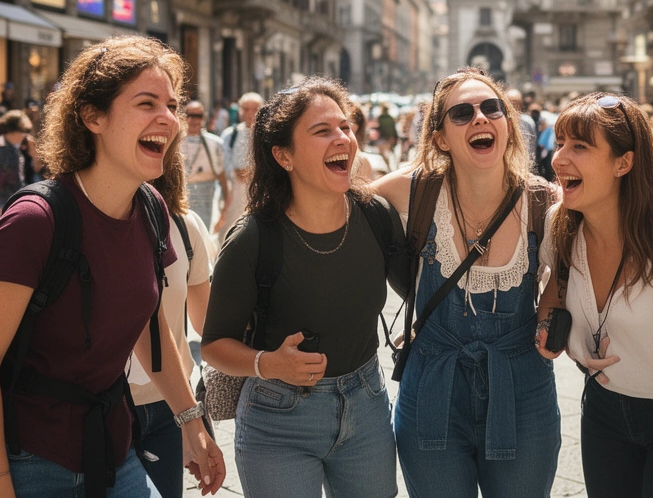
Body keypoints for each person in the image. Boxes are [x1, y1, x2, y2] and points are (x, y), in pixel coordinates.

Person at [0, 36, 226, 497]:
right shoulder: (33, 221)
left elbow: (149, 322)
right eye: (146, 103)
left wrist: (190, 420)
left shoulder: (152, 207)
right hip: (24, 459)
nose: (169, 119)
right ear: (92, 117)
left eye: (173, 105)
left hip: (112, 450)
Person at [201, 79, 409, 498]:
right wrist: (268, 363)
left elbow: (421, 291)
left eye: (345, 127)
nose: (343, 139)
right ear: (283, 156)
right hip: (278, 419)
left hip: (367, 405)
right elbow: (212, 345)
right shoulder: (252, 238)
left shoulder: (376, 216)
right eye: (322, 131)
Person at [370, 68, 560, 498]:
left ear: (508, 124)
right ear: (440, 137)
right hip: (432, 387)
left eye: (491, 108)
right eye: (462, 112)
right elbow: (339, 203)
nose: (480, 118)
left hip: (523, 392)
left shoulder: (541, 200)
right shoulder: (412, 192)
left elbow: (582, 250)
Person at [537, 94, 653, 497]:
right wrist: (565, 343)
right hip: (603, 414)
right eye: (559, 144)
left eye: (580, 147)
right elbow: (554, 297)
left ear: (623, 163)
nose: (558, 159)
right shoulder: (560, 224)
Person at [133, 139, 218, 498]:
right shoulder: (185, 224)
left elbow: (205, 325)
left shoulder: (185, 225)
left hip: (168, 404)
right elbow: (207, 325)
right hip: (103, 407)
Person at [181, 100, 229, 231]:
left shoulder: (215, 144)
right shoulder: (174, 142)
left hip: (205, 199)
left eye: (198, 116)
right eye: (190, 115)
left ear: (204, 118)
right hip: (179, 197)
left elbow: (223, 179)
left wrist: (224, 211)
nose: (193, 120)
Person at [219, 92, 263, 236]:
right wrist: (235, 171)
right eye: (246, 109)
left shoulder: (267, 135)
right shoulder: (230, 135)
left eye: (254, 109)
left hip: (259, 191)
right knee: (230, 230)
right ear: (240, 111)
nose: (250, 113)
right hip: (234, 191)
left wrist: (255, 172)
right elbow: (223, 161)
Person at [0, 111, 34, 211]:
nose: (25, 135)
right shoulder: (7, 150)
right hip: (6, 205)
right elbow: (15, 183)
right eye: (23, 131)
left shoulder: (0, 145)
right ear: (12, 130)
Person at [506, 88, 537, 164]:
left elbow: (532, 146)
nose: (513, 106)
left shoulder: (527, 122)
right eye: (510, 103)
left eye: (516, 103)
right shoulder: (499, 121)